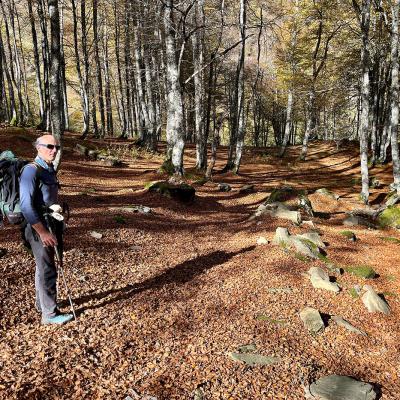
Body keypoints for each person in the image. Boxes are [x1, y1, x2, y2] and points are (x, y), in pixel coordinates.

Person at [20, 135, 73, 325]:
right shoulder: (30, 171)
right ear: (38, 147)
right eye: (50, 146)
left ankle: (42, 304)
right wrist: (43, 232)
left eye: (57, 147)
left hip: (52, 223)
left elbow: (46, 199)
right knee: (47, 269)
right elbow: (26, 207)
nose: (54, 150)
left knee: (44, 267)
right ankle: (49, 315)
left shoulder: (48, 169)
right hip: (38, 228)